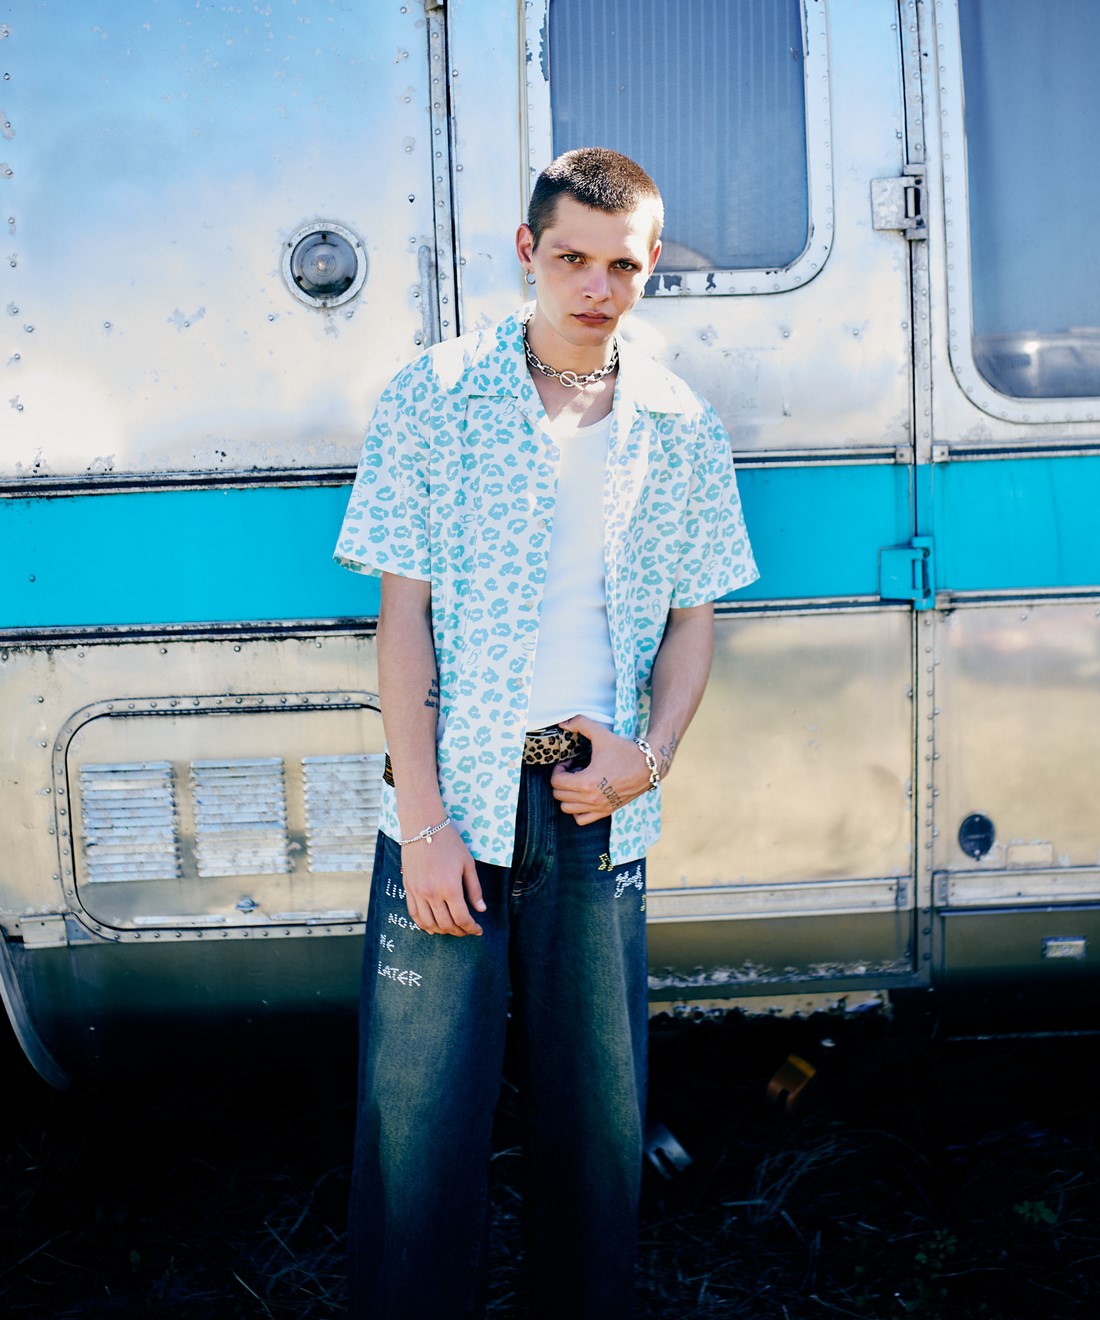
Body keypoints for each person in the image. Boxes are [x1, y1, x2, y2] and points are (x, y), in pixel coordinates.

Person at [334, 147, 757, 1320]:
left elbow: (693, 620)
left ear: (650, 264)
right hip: (451, 808)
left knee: (595, 1122)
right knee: (417, 1122)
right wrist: (424, 823)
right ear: (528, 251)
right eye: (571, 259)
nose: (594, 288)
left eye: (621, 265)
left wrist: (647, 759)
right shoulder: (434, 396)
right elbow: (403, 622)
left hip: (592, 806)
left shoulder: (678, 424)